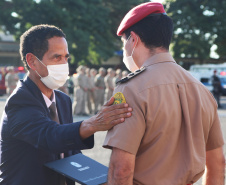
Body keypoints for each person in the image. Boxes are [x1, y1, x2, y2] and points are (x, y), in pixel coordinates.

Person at [103, 2, 225, 185]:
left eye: (124, 42)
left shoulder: (131, 89)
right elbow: (218, 165)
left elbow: (121, 171)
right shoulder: (201, 90)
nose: (125, 50)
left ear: (133, 39)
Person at [0, 24, 133, 185]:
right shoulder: (20, 101)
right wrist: (94, 123)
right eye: (57, 57)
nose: (65, 65)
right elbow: (50, 136)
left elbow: (69, 152)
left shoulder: (62, 100)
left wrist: (101, 180)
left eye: (66, 57)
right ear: (32, 61)